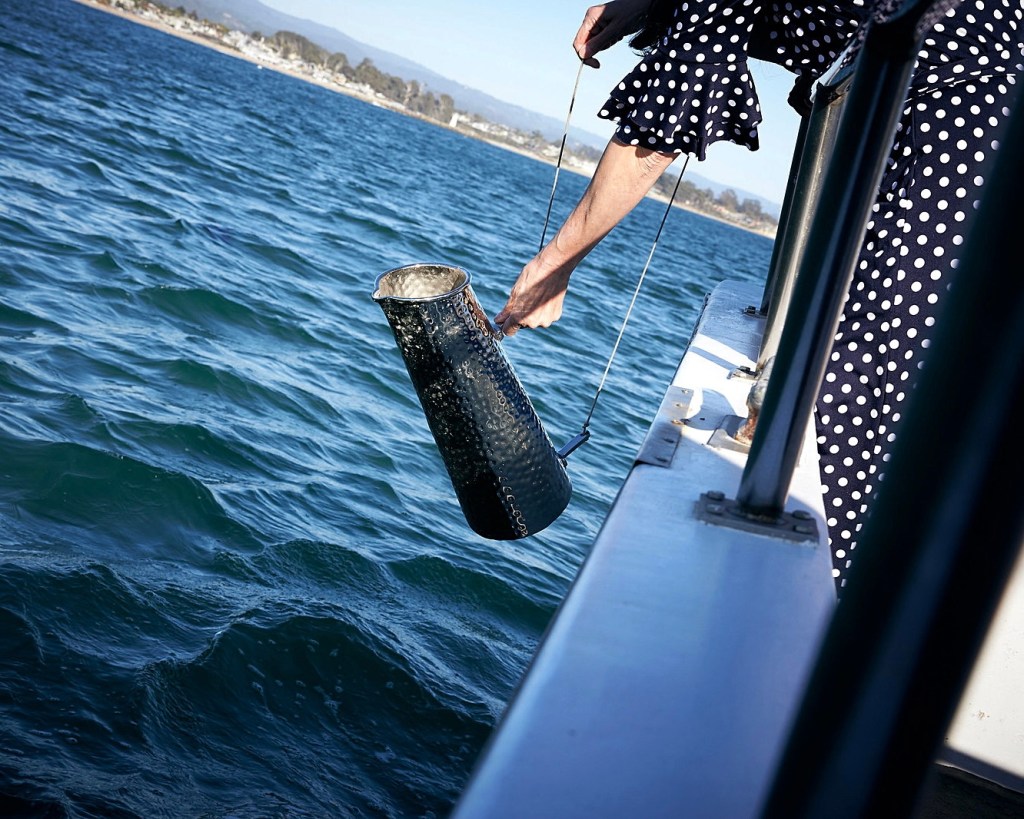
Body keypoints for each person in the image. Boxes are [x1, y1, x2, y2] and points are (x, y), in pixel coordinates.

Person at [494, 0, 1023, 590]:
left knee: (857, 414)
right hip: (948, 125)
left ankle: (826, 631)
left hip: (959, 135)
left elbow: (669, 110)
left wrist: (553, 266)